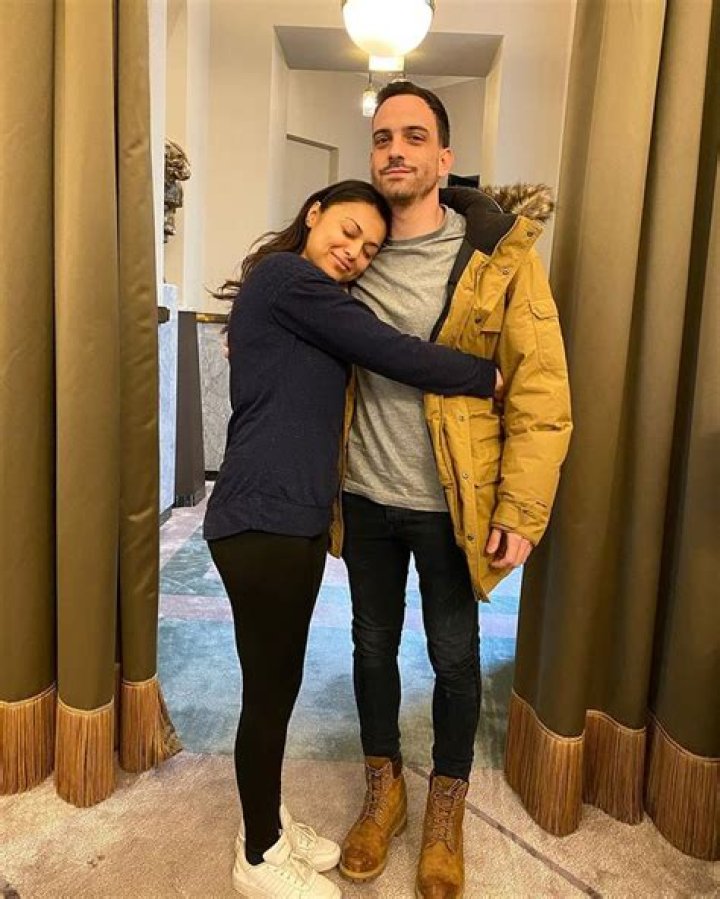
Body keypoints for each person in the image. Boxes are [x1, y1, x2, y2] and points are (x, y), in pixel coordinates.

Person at [203, 179, 503, 899]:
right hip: (262, 519)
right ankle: (258, 856)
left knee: (277, 685)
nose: (355, 253)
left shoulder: (302, 295)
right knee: (268, 695)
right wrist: (484, 375)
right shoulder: (288, 278)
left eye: (370, 249)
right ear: (313, 214)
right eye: (347, 231)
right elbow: (390, 349)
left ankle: (269, 820)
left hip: (293, 518)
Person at [334, 83, 572, 898]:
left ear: (444, 157)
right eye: (382, 138)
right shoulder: (351, 246)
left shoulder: (499, 256)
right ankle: (384, 790)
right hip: (362, 494)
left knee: (455, 655)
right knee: (370, 645)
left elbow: (540, 386)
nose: (395, 150)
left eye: (413, 136)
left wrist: (522, 507)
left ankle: (445, 803)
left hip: (454, 503)